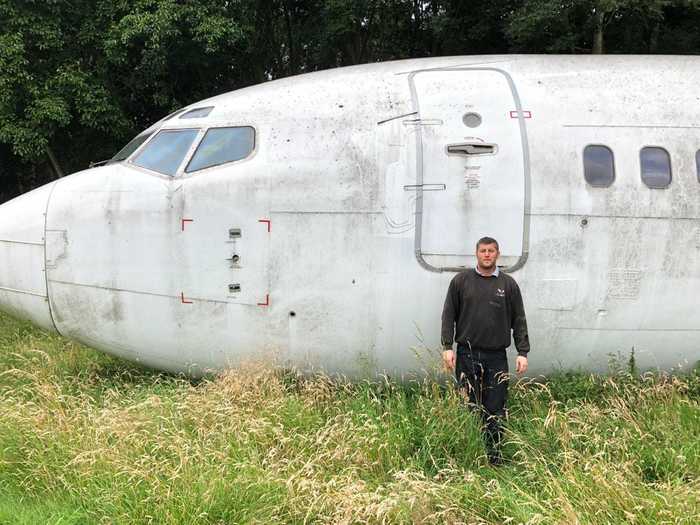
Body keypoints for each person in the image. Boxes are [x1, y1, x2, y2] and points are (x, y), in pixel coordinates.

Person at [441, 236, 530, 465]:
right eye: (483, 251)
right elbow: (449, 314)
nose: (487, 254)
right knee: (469, 404)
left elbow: (518, 319)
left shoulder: (508, 285)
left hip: (496, 357)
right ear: (476, 253)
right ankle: (470, 454)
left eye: (491, 251)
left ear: (497, 254)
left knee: (495, 407)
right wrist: (447, 346)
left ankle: (494, 457)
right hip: (466, 354)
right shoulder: (461, 281)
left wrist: (522, 351)